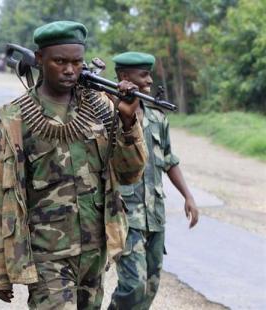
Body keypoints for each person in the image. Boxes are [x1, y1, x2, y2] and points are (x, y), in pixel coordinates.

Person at [0, 21, 148, 309]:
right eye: (60, 61)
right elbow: (3, 194)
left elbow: (130, 174)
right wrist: (0, 270)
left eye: (76, 62)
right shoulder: (16, 118)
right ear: (39, 59)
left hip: (94, 250)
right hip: (46, 253)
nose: (70, 70)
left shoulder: (100, 107)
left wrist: (127, 122)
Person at [108, 52, 200, 310]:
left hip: (154, 215)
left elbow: (169, 160)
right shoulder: (108, 114)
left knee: (150, 285)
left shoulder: (158, 118)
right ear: (125, 77)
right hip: (125, 214)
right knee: (133, 285)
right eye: (143, 75)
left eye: (149, 74)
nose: (149, 80)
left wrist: (188, 197)